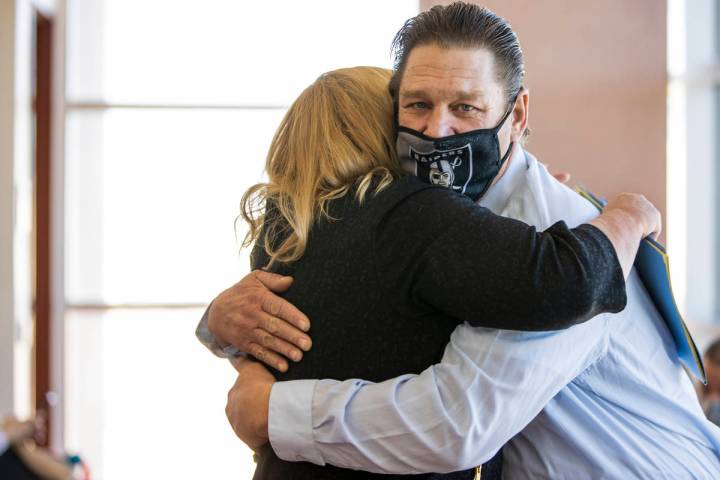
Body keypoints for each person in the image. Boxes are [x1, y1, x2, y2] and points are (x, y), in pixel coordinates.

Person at [201, 3, 720, 479]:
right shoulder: (442, 223)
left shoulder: (544, 238)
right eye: (418, 105)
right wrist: (219, 322)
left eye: (466, 108)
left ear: (516, 115)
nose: (439, 131)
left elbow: (457, 422)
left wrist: (271, 412)